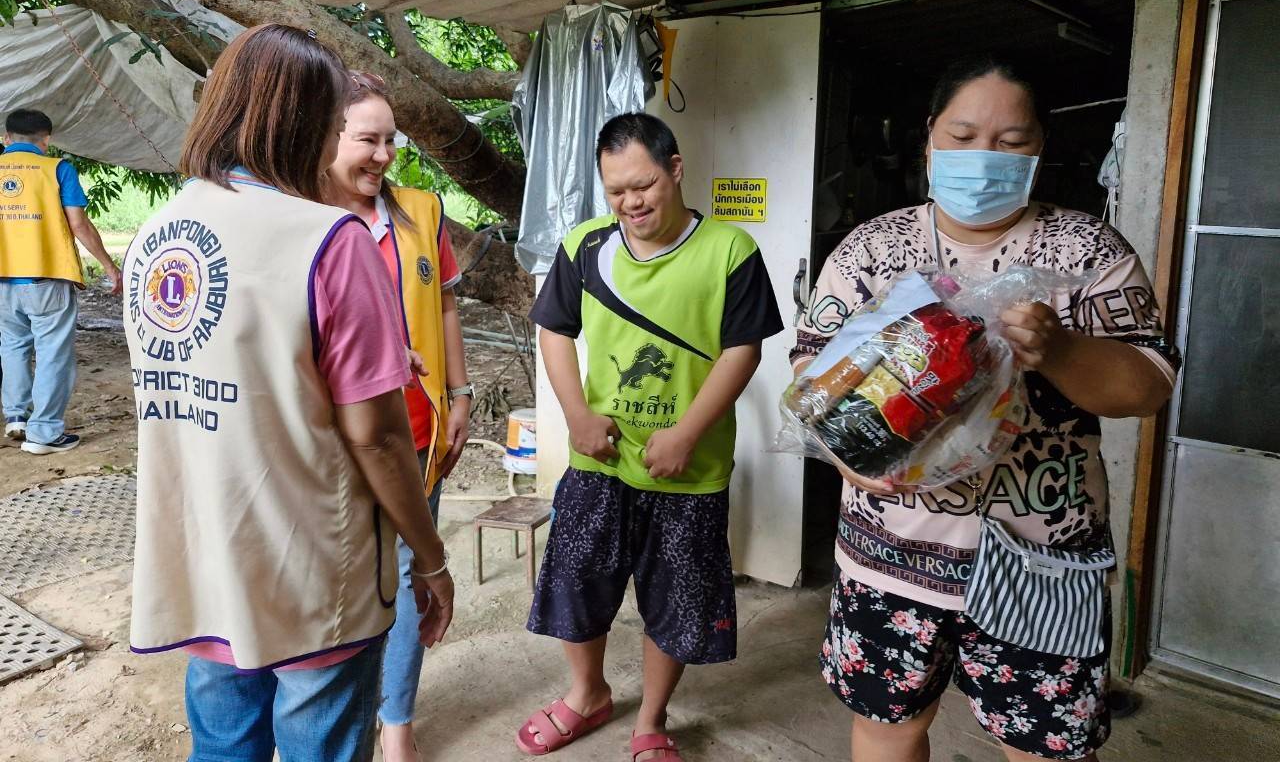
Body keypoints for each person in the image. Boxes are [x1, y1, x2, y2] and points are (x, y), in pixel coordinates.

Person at [794, 55, 1180, 762]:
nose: (983, 157)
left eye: (1010, 141)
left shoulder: (1087, 250)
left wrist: (1060, 349)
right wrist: (851, 458)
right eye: (964, 136)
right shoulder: (873, 249)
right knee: (887, 730)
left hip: (1042, 561)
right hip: (888, 555)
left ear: (1039, 150)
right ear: (929, 139)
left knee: (1045, 748)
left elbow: (1148, 387)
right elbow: (812, 369)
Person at [122, 24, 454, 762]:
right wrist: (429, 558)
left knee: (224, 745)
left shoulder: (158, 232)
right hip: (311, 569)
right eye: (335, 124)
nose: (337, 141)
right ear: (302, 122)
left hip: (208, 556)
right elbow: (378, 435)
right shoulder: (330, 240)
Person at [518, 112, 784, 762]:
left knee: (676, 597)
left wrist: (687, 434)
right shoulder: (585, 246)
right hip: (600, 459)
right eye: (616, 191)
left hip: (688, 469)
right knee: (576, 582)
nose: (631, 202)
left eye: (643, 185)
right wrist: (577, 417)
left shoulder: (730, 250)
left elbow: (742, 350)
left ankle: (652, 719)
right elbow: (555, 331)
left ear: (675, 169)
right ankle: (587, 694)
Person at [327, 70, 472, 762]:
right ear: (327, 136)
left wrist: (460, 392)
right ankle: (343, 720)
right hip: (333, 443)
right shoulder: (303, 218)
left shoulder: (422, 211)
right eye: (367, 139)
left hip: (416, 431)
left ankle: (398, 726)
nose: (383, 156)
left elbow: (444, 304)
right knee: (348, 584)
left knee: (414, 570)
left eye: (391, 141)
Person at [0, 108, 122, 455]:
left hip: (3, 279)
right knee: (52, 352)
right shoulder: (57, 169)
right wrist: (109, 267)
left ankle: (16, 417)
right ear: (47, 140)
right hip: (47, 277)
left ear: (6, 139)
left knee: (12, 346)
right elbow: (78, 224)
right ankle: (44, 432)